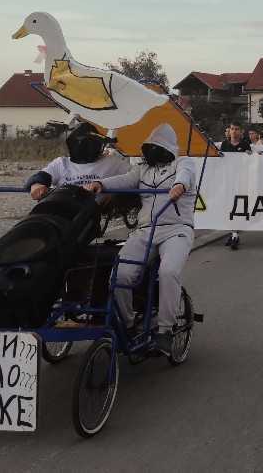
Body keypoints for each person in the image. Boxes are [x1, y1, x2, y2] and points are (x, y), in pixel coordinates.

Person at [85, 124, 194, 357]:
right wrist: (101, 185)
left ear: (166, 147)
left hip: (176, 229)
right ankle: (128, 322)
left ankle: (165, 329)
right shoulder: (142, 169)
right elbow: (123, 180)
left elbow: (186, 177)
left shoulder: (182, 163)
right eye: (149, 146)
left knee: (168, 272)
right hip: (146, 230)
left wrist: (179, 185)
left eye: (156, 146)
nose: (151, 151)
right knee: (120, 274)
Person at [25, 121, 129, 199]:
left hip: (89, 211)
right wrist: (36, 184)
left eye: (88, 145)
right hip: (62, 204)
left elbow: (135, 176)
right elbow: (41, 176)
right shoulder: (61, 163)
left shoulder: (111, 162)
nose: (84, 148)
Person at [220, 122, 251, 250]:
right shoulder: (224, 144)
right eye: (232, 129)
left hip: (240, 181)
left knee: (237, 207)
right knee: (227, 207)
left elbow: (250, 160)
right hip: (227, 181)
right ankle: (232, 233)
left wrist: (250, 155)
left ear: (241, 131)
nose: (234, 131)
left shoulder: (244, 144)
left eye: (236, 129)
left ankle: (235, 234)